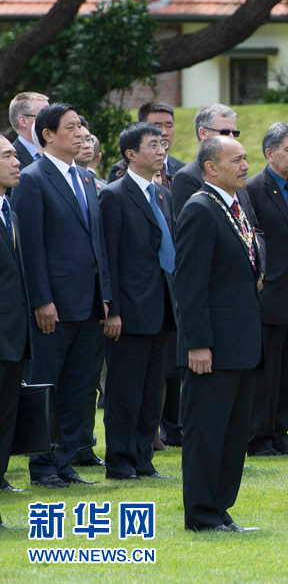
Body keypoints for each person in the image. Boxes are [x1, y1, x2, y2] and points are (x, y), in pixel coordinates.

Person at [12, 103, 112, 489]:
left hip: (88, 303)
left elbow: (96, 243)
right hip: (53, 304)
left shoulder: (86, 179)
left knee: (77, 388)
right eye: (71, 127)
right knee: (48, 385)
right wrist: (40, 299)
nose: (80, 133)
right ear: (48, 134)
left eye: (81, 126)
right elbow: (31, 247)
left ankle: (66, 461)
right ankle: (44, 467)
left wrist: (106, 295)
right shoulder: (34, 179)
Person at [175, 136, 262, 532]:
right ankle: (201, 513)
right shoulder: (200, 209)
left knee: (232, 433)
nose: (245, 165)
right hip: (213, 346)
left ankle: (220, 509)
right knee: (207, 433)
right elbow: (189, 285)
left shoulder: (235, 204)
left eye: (245, 158)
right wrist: (197, 343)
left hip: (241, 342)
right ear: (211, 167)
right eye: (237, 159)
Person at [99, 123, 177, 481]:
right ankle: (119, 462)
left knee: (150, 392)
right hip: (129, 310)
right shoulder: (115, 195)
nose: (161, 150)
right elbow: (108, 256)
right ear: (131, 154)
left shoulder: (163, 194)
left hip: (161, 308)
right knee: (125, 392)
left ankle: (143, 459)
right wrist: (111, 308)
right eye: (152, 145)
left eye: (163, 144)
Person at [245, 123, 288, 458]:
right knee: (267, 369)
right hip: (270, 291)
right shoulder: (253, 189)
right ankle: (258, 438)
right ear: (269, 153)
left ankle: (281, 434)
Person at [71, 122, 107, 469]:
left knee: (89, 382)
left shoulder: (96, 186)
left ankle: (84, 445)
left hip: (96, 300)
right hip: (66, 301)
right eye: (76, 139)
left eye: (88, 142)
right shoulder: (41, 180)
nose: (83, 146)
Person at [0, 135, 31, 522]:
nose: (17, 161)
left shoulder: (9, 209)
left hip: (13, 337)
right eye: (6, 155)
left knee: (6, 417)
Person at [108, 101, 186, 187]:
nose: (164, 132)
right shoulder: (121, 169)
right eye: (157, 126)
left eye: (169, 126)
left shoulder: (183, 170)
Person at [8, 92, 48, 170]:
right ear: (23, 121)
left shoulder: (57, 152)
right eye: (44, 116)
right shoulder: (9, 159)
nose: (51, 121)